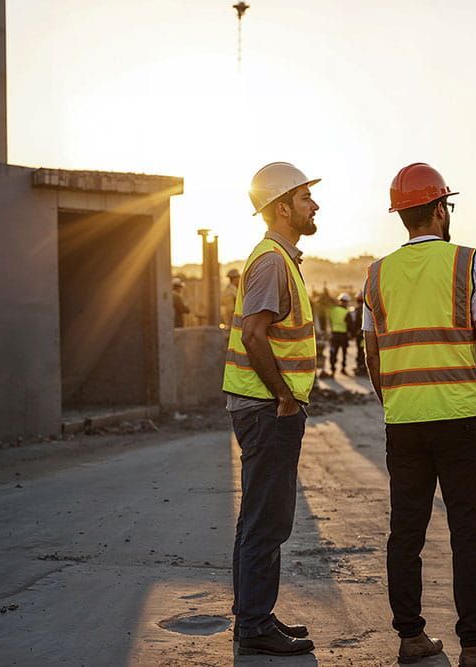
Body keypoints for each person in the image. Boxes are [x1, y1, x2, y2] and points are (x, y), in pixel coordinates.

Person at [363, 163, 476, 667]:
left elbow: (373, 354)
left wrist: (394, 398)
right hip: (460, 421)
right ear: (438, 209)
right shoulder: (469, 263)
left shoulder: (376, 274)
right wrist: (469, 391)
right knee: (469, 532)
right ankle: (475, 644)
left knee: (406, 531)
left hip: (404, 422)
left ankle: (411, 637)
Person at [221, 162, 320, 657]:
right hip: (266, 409)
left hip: (264, 407)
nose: (314, 205)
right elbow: (253, 334)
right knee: (267, 518)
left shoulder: (280, 258)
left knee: (260, 517)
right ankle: (255, 625)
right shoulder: (272, 261)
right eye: (306, 199)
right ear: (282, 207)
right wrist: (283, 395)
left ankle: (254, 617)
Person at [327, 293, 352, 376]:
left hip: (334, 335)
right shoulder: (347, 312)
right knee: (344, 353)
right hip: (343, 335)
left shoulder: (333, 310)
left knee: (333, 352)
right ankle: (343, 369)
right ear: (346, 302)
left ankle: (332, 369)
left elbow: (330, 321)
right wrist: (351, 335)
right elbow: (350, 325)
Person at [351, 291, 367, 375]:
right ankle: (362, 366)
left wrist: (353, 333)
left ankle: (361, 366)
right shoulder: (367, 309)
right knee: (363, 350)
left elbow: (354, 323)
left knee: (361, 350)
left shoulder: (357, 310)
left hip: (361, 335)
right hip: (364, 334)